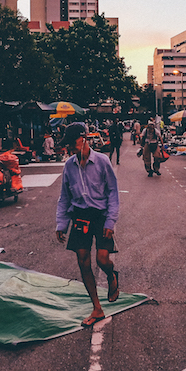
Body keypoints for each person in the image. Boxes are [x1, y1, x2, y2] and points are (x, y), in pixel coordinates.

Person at [55, 122, 120, 327]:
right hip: (80, 216)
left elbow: (113, 193)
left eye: (72, 143)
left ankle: (111, 275)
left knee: (102, 260)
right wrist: (61, 224)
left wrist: (110, 221)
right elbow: (64, 197)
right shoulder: (69, 166)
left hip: (100, 216)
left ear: (83, 139)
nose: (69, 148)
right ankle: (97, 308)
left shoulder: (102, 161)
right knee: (83, 261)